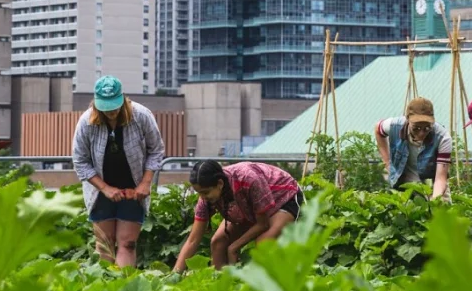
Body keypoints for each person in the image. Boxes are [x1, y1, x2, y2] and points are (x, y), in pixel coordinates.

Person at [71, 75, 166, 269]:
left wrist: (145, 183)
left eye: (114, 106)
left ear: (122, 99)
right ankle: (102, 285)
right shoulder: (86, 122)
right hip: (100, 190)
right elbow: (80, 161)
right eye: (105, 107)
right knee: (105, 246)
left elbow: (156, 150)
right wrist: (105, 188)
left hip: (134, 189)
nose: (111, 111)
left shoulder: (141, 116)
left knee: (127, 244)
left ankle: (123, 286)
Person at [173, 160, 303, 272]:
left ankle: (266, 290)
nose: (202, 197)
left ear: (220, 184)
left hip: (283, 196)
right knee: (218, 242)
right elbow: (193, 239)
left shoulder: (249, 179)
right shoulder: (206, 198)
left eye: (205, 192)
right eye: (199, 193)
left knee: (264, 242)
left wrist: (234, 247)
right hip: (252, 205)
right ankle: (219, 287)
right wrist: (174, 275)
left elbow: (263, 224)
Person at [374, 96, 453, 199]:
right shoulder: (394, 126)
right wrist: (388, 163)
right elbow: (378, 129)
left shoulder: (443, 138)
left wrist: (435, 200)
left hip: (433, 184)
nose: (421, 133)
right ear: (407, 119)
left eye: (427, 128)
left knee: (442, 210)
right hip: (404, 182)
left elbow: (440, 178)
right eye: (416, 128)